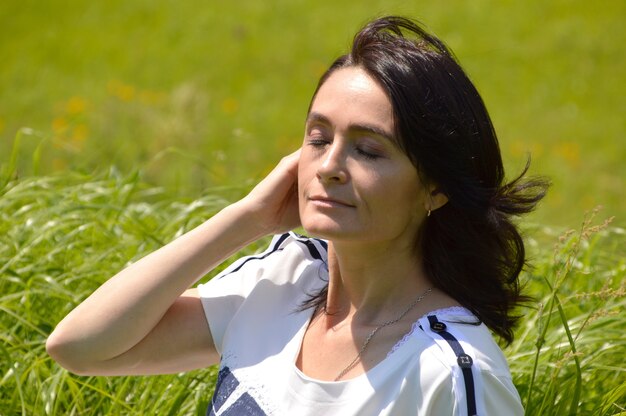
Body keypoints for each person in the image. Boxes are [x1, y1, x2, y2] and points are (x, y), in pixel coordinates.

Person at [47, 16, 548, 415]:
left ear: (436, 187)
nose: (329, 166)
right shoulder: (284, 279)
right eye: (319, 138)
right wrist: (248, 218)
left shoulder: (451, 373)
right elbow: (80, 346)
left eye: (369, 151)